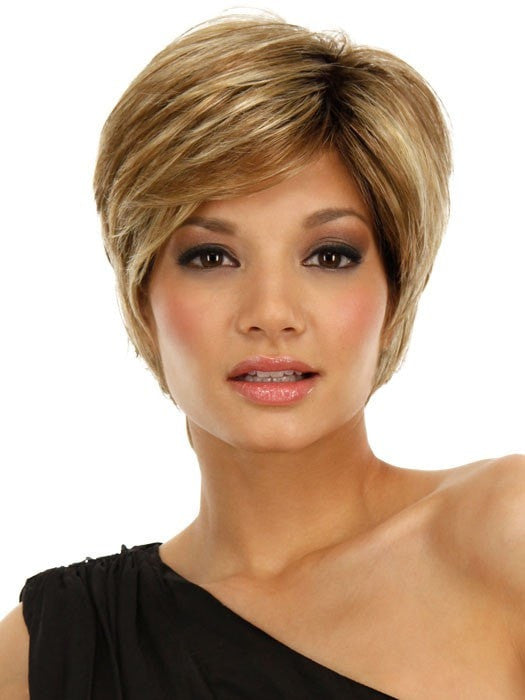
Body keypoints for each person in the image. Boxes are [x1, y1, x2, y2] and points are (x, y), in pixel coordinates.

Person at [1, 11, 524, 699]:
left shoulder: (505, 533)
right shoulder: (50, 652)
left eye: (329, 255)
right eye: (211, 257)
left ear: (395, 294)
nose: (271, 313)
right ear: (142, 300)